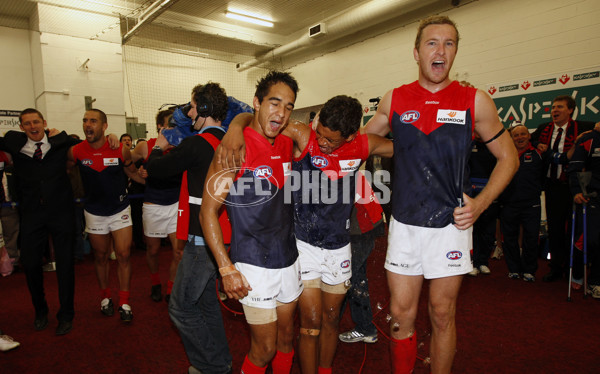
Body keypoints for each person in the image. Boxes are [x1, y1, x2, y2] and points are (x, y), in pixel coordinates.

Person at [363, 16, 519, 374]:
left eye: (449, 43)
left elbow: (509, 159)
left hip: (451, 224)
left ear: (455, 52)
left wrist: (479, 205)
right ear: (416, 53)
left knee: (442, 313)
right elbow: (363, 142)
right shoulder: (396, 98)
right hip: (404, 223)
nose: (441, 50)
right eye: (432, 43)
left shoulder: (474, 100)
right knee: (401, 315)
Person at [221, 95, 393, 373]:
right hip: (303, 243)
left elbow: (407, 148)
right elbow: (257, 117)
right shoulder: (304, 135)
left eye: (331, 140)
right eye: (320, 134)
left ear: (351, 136)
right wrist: (234, 129)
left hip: (339, 246)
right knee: (310, 321)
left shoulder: (364, 145)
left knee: (331, 318)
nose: (322, 142)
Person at [201, 71, 301, 374]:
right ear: (256, 103)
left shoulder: (286, 142)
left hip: (288, 257)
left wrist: (238, 120)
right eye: (274, 103)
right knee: (264, 348)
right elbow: (207, 212)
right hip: (253, 262)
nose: (281, 113)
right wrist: (225, 267)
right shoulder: (234, 148)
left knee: (286, 340)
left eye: (288, 106)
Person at [144, 82, 233, 374]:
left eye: (193, 106)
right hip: (222, 234)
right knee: (206, 305)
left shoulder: (197, 144)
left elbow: (156, 170)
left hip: (202, 237)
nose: (189, 112)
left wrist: (158, 148)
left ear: (205, 109)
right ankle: (216, 362)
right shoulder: (232, 141)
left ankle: (214, 366)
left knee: (181, 307)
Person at [0, 108, 80, 335]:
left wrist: (112, 138)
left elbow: (88, 143)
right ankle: (40, 310)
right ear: (21, 127)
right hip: (32, 215)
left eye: (36, 122)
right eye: (27, 124)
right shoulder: (14, 142)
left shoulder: (60, 142)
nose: (33, 127)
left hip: (61, 214)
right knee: (31, 263)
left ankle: (66, 314)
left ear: (44, 123)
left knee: (65, 265)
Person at [68, 109, 144, 323]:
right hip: (93, 212)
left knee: (123, 255)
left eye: (93, 121)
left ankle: (125, 302)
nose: (87, 125)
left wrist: (156, 183)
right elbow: (61, 170)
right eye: (84, 121)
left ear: (104, 126)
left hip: (119, 209)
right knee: (100, 257)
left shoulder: (121, 150)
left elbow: (132, 174)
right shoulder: (75, 151)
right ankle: (104, 298)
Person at [530, 95, 595, 282]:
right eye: (552, 107)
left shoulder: (582, 127)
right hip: (552, 187)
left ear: (570, 110)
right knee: (556, 229)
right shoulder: (544, 129)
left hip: (574, 188)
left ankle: (574, 268)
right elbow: (529, 138)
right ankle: (556, 267)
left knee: (575, 230)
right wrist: (538, 144)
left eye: (559, 107)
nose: (554, 110)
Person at [131, 107, 181, 302]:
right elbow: (126, 160)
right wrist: (140, 177)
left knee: (178, 251)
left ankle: (170, 288)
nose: (175, 127)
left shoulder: (182, 146)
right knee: (152, 250)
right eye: (171, 123)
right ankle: (154, 282)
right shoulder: (146, 146)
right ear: (160, 126)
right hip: (153, 205)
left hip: (176, 204)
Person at [499, 123, 546, 281]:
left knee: (531, 237)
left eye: (523, 134)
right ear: (511, 138)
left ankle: (529, 270)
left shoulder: (538, 153)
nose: (520, 138)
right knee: (509, 237)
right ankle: (513, 268)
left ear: (529, 136)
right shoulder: (504, 154)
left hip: (531, 203)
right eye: (516, 135)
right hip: (509, 203)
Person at [567, 125, 600, 297]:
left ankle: (595, 282)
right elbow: (574, 167)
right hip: (591, 196)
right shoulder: (588, 139)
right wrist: (576, 191)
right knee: (588, 239)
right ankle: (578, 273)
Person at [468, 133, 498, 276]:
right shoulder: (467, 144)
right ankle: (471, 262)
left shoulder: (493, 145)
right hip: (470, 194)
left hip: (488, 194)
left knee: (487, 231)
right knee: (472, 230)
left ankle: (483, 262)